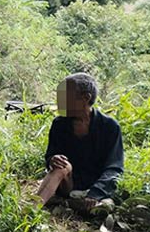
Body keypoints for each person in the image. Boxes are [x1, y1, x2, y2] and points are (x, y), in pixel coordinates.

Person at [37, 73, 123, 214]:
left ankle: (70, 203)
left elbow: (114, 168)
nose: (59, 101)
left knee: (102, 208)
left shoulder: (110, 126)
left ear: (85, 98)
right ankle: (32, 209)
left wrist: (95, 193)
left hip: (95, 187)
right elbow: (51, 155)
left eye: (65, 96)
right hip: (67, 183)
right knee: (61, 166)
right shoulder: (59, 124)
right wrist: (52, 159)